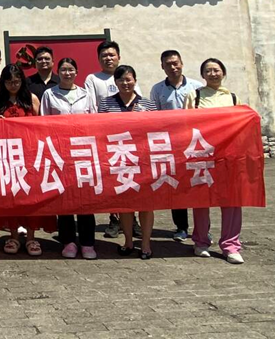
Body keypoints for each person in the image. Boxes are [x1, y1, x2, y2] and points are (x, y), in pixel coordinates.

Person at [0, 64, 56, 257]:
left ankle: (31, 237)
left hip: (29, 155)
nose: (13, 85)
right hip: (6, 156)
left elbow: (41, 126)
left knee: (31, 196)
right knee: (11, 197)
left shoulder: (31, 98)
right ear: (3, 83)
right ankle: (13, 236)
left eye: (17, 81)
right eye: (9, 82)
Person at [185, 58, 245, 265]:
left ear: (223, 73)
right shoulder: (195, 96)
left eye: (216, 70)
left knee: (231, 201)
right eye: (208, 71)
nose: (213, 74)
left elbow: (242, 125)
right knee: (202, 200)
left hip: (228, 156)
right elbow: (185, 125)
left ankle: (231, 246)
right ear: (202, 75)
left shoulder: (232, 97)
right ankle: (201, 242)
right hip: (203, 155)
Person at [40, 58, 97, 260]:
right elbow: (44, 123)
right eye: (63, 70)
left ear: (76, 72)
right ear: (58, 72)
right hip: (60, 151)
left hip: (83, 151)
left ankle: (88, 242)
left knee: (85, 199)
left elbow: (94, 121)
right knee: (64, 199)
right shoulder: (49, 94)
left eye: (71, 69)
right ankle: (68, 242)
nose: (67, 73)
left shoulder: (86, 94)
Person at [99, 65, 158, 260]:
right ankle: (128, 242)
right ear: (115, 82)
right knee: (125, 204)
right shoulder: (106, 104)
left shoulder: (148, 104)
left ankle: (146, 244)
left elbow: (155, 130)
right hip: (119, 159)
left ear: (135, 80)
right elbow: (100, 130)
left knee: (146, 204)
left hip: (144, 161)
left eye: (129, 79)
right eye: (121, 80)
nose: (125, 83)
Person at [83, 40, 141, 239]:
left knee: (132, 179)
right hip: (107, 137)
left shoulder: (128, 74)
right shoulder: (93, 79)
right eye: (104, 56)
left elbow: (139, 102)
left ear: (119, 56)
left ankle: (133, 220)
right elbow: (92, 106)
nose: (108, 58)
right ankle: (115, 220)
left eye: (111, 55)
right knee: (112, 180)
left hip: (131, 139)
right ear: (98, 59)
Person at [150, 50, 204, 241]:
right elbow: (154, 117)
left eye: (175, 63)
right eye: (168, 64)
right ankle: (181, 227)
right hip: (171, 145)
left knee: (197, 186)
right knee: (176, 186)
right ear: (162, 67)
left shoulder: (196, 87)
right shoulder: (157, 89)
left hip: (194, 144)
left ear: (182, 63)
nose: (173, 67)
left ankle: (202, 229)